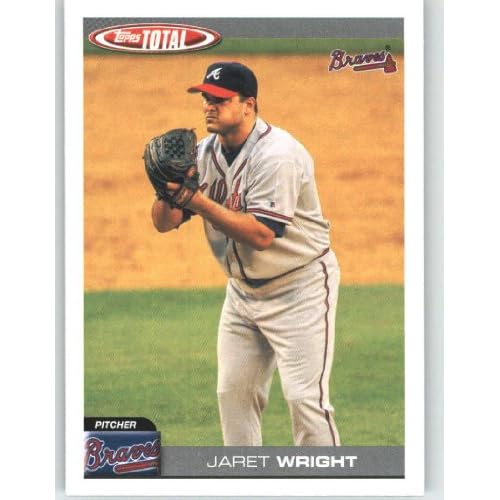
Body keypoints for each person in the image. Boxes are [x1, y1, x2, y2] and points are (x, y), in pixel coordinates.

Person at [151, 61, 341, 446]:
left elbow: (261, 234)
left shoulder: (278, 155)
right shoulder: (202, 153)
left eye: (220, 99)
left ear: (248, 105)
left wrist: (195, 200)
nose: (209, 106)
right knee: (233, 396)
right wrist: (166, 191)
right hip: (242, 295)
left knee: (305, 400)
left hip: (299, 289)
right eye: (206, 98)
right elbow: (164, 223)